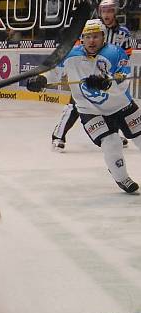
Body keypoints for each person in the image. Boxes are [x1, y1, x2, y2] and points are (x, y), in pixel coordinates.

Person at [27, 19, 140, 193]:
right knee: (111, 142)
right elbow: (53, 71)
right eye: (87, 37)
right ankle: (122, 178)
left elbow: (123, 79)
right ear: (82, 38)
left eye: (96, 36)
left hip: (121, 105)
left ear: (103, 37)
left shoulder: (116, 53)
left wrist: (107, 83)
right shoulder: (71, 55)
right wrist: (41, 79)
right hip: (90, 110)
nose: (92, 41)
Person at [50, 0, 132, 152]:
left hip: (108, 71)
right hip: (87, 68)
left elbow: (126, 55)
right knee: (75, 104)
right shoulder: (91, 26)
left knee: (114, 103)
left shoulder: (123, 33)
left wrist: (119, 73)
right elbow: (78, 47)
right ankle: (58, 135)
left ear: (115, 12)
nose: (107, 14)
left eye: (110, 11)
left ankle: (114, 133)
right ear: (100, 12)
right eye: (104, 11)